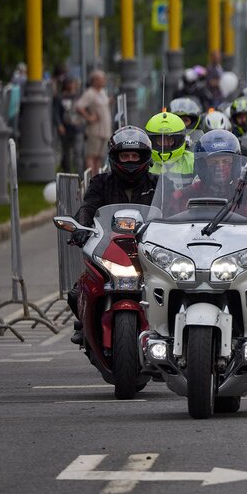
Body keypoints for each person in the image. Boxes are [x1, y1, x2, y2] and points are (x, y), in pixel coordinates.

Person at [68, 126, 157, 344]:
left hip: (149, 251)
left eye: (134, 156)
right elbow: (88, 207)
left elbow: (173, 212)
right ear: (115, 157)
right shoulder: (100, 183)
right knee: (77, 292)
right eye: (125, 156)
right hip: (110, 250)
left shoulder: (159, 184)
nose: (130, 161)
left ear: (144, 157)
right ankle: (86, 325)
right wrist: (81, 227)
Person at [74, 70, 112, 173]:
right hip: (95, 131)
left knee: (99, 157)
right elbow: (79, 106)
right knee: (91, 155)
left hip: (105, 130)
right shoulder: (90, 93)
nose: (104, 80)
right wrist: (89, 117)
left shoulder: (102, 92)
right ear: (94, 80)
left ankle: (97, 177)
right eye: (102, 79)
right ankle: (91, 178)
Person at [145, 111, 195, 184]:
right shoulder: (145, 163)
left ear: (180, 139)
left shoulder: (193, 161)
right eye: (160, 140)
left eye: (170, 140)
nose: (165, 144)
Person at [52, 77, 85, 174]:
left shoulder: (79, 96)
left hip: (78, 128)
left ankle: (80, 174)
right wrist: (59, 125)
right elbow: (56, 112)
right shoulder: (60, 97)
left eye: (73, 83)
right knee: (66, 152)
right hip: (65, 128)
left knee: (78, 152)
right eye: (69, 83)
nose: (71, 85)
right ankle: (67, 172)